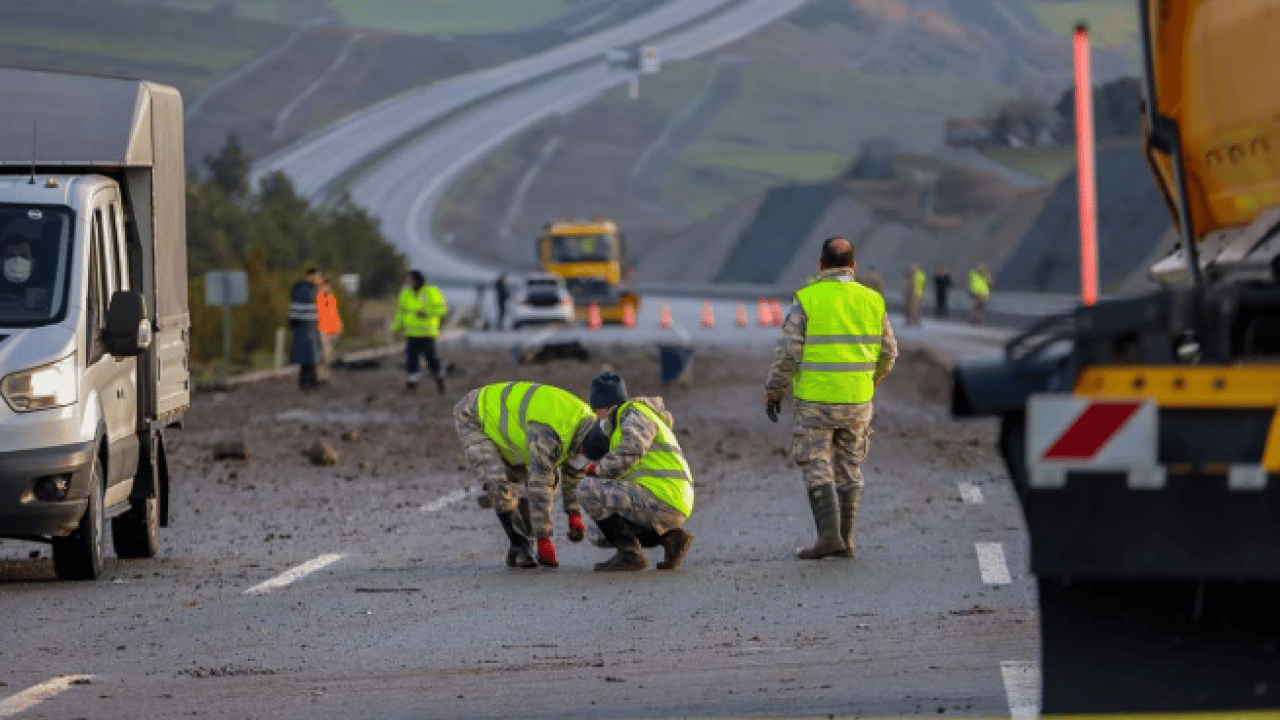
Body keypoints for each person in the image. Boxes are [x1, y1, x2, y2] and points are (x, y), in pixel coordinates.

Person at [764, 237, 898, 560]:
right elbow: (890, 351)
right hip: (857, 400)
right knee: (850, 465)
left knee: (816, 463)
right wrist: (874, 378)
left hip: (815, 401)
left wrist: (774, 389)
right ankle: (847, 541)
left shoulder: (808, 300)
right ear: (853, 266)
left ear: (821, 265)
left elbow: (787, 353)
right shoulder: (872, 300)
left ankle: (828, 538)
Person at [453, 381, 597, 569]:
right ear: (583, 444)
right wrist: (544, 539)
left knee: (537, 477)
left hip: (516, 429)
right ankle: (519, 544)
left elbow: (574, 469)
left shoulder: (590, 425)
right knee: (498, 481)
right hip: (474, 414)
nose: (582, 457)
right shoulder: (550, 432)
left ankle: (522, 527)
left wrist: (573, 512)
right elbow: (540, 484)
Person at [577, 372, 695, 572]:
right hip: (671, 500)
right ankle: (671, 539)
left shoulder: (632, 412)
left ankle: (630, 556)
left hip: (662, 496)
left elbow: (633, 449)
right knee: (597, 533)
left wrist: (598, 470)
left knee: (587, 489)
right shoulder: (637, 419)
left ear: (603, 408)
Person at [392, 270, 448, 393]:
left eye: (410, 280)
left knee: (431, 358)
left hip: (427, 333)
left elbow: (442, 308)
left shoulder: (431, 291)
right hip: (411, 333)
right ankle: (412, 385)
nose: (408, 282)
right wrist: (395, 328)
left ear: (417, 280)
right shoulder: (405, 293)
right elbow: (400, 312)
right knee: (411, 360)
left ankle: (439, 380)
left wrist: (427, 312)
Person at [288, 268, 323, 392]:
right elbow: (296, 309)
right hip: (306, 327)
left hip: (308, 326)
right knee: (309, 357)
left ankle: (308, 383)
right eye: (317, 276)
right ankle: (308, 383)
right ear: (310, 276)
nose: (319, 280)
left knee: (309, 357)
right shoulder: (306, 290)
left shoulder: (306, 289)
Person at [315, 273, 342, 382]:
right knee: (325, 353)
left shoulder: (332, 298)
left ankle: (325, 374)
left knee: (330, 356)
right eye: (323, 285)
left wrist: (339, 325)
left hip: (333, 329)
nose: (325, 287)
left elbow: (335, 313)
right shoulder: (319, 297)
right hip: (323, 329)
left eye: (327, 285)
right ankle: (320, 374)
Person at [904, 263, 926, 327]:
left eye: (913, 267)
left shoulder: (914, 275)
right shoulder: (921, 275)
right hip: (918, 294)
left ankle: (914, 321)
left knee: (914, 309)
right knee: (915, 308)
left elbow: (911, 286)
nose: (912, 269)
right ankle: (914, 321)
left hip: (915, 294)